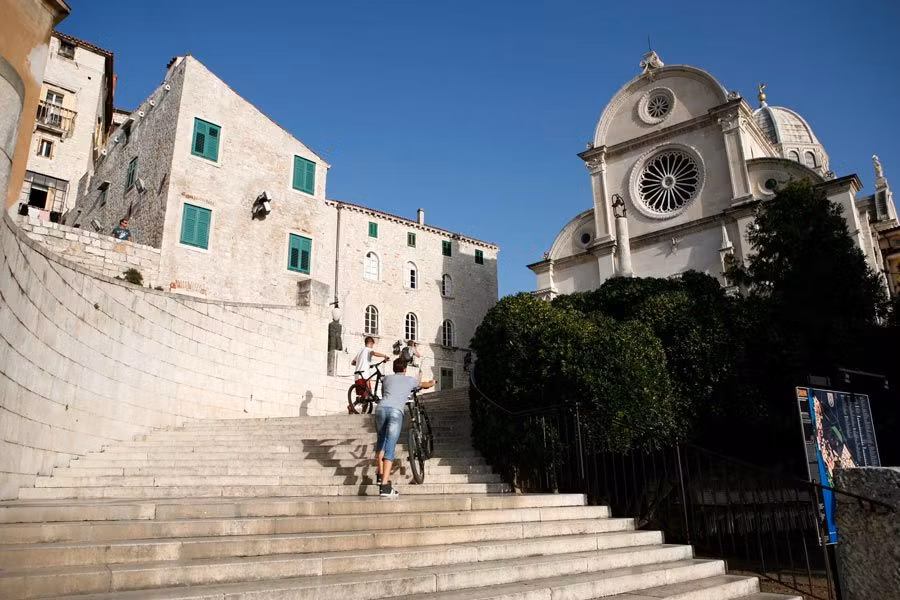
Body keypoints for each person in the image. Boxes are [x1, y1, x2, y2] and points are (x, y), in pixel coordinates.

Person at [374, 356, 434, 497]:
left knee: (381, 442)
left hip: (380, 409)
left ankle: (380, 475)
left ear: (394, 368)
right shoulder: (409, 380)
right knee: (390, 446)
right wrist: (432, 383)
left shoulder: (386, 379)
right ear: (405, 369)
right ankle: (385, 487)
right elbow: (423, 384)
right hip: (395, 411)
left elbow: (385, 393)